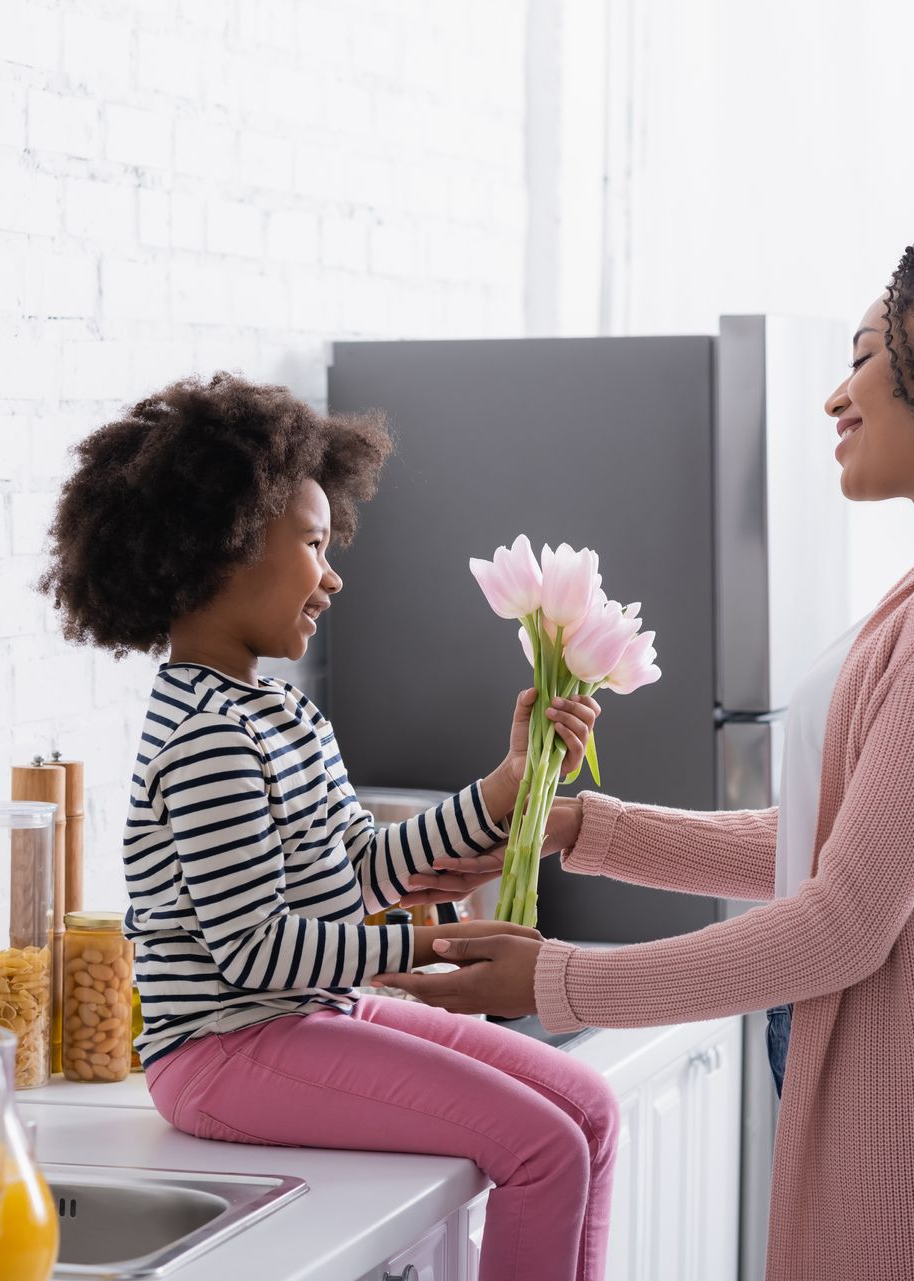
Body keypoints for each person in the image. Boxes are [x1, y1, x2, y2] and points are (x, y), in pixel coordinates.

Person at [378, 173, 914, 1280]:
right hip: (894, 1111)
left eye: (864, 356)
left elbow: (841, 922)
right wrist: (579, 829)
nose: (837, 396)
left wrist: (556, 980)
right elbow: (824, 847)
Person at [39, 374, 617, 1281]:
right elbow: (253, 953)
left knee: (587, 1108)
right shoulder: (205, 738)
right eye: (312, 542)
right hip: (223, 1052)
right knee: (544, 1145)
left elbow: (360, 865)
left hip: (305, 1019)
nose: (334, 571)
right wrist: (424, 945)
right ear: (217, 550)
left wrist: (503, 787)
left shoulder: (280, 715)